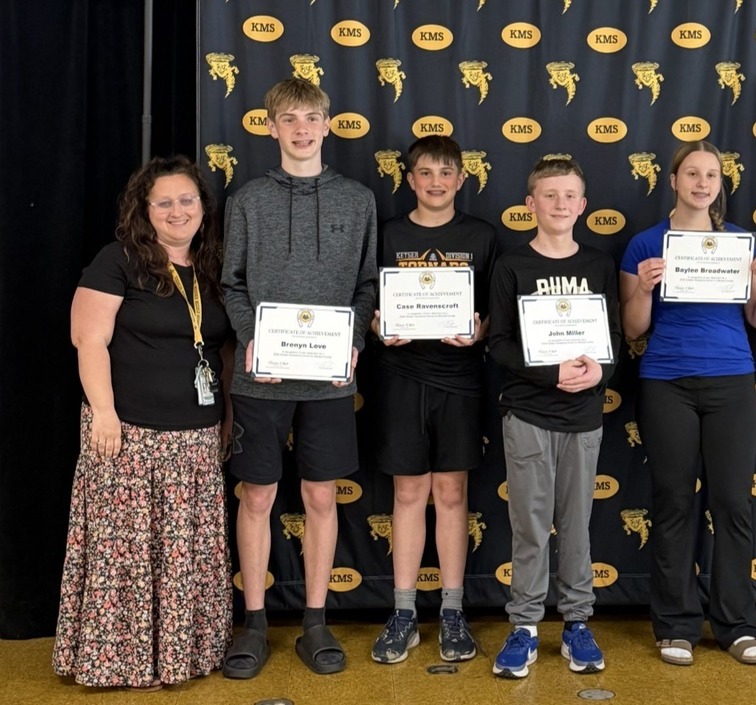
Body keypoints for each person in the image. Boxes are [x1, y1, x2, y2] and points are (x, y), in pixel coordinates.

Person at [53, 156, 232, 691]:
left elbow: (220, 352)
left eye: (187, 200)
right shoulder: (119, 260)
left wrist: (225, 420)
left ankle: (180, 657)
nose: (178, 211)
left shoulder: (212, 266)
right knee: (123, 556)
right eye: (165, 202)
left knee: (184, 555)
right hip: (126, 435)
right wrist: (104, 414)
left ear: (203, 206)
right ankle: (122, 663)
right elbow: (88, 340)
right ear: (144, 210)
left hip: (195, 439)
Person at [221, 77, 378, 678]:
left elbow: (366, 285)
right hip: (261, 377)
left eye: (313, 117)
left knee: (319, 495)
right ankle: (255, 623)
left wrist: (355, 338)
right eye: (289, 119)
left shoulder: (358, 199)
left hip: (330, 378)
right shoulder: (246, 201)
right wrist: (251, 335)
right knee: (256, 495)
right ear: (270, 127)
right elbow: (232, 282)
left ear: (328, 124)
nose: (302, 129)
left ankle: (315, 621)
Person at [619, 141, 756, 667]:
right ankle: (676, 625)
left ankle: (737, 625)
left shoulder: (739, 241)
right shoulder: (645, 243)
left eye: (711, 174)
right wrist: (643, 289)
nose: (702, 182)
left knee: (733, 504)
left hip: (732, 382)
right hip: (666, 382)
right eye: (692, 173)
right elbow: (632, 328)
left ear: (720, 183)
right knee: (672, 505)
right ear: (673, 180)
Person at [487, 157, 622, 678]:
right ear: (530, 205)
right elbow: (498, 344)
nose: (561, 204)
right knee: (529, 526)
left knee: (578, 527)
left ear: (582, 206)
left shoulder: (599, 264)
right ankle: (523, 627)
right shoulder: (511, 266)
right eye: (550, 195)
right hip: (528, 414)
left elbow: (613, 343)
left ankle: (576, 623)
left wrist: (598, 372)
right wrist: (550, 373)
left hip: (584, 416)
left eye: (570, 196)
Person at [369, 136, 496, 664]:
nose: (436, 182)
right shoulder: (388, 233)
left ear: (461, 179)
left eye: (447, 173)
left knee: (450, 493)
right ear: (410, 179)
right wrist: (377, 325)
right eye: (426, 173)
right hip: (400, 377)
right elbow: (368, 301)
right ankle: (402, 612)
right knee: (406, 494)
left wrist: (480, 330)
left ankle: (451, 610)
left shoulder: (483, 236)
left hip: (460, 380)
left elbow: (497, 312)